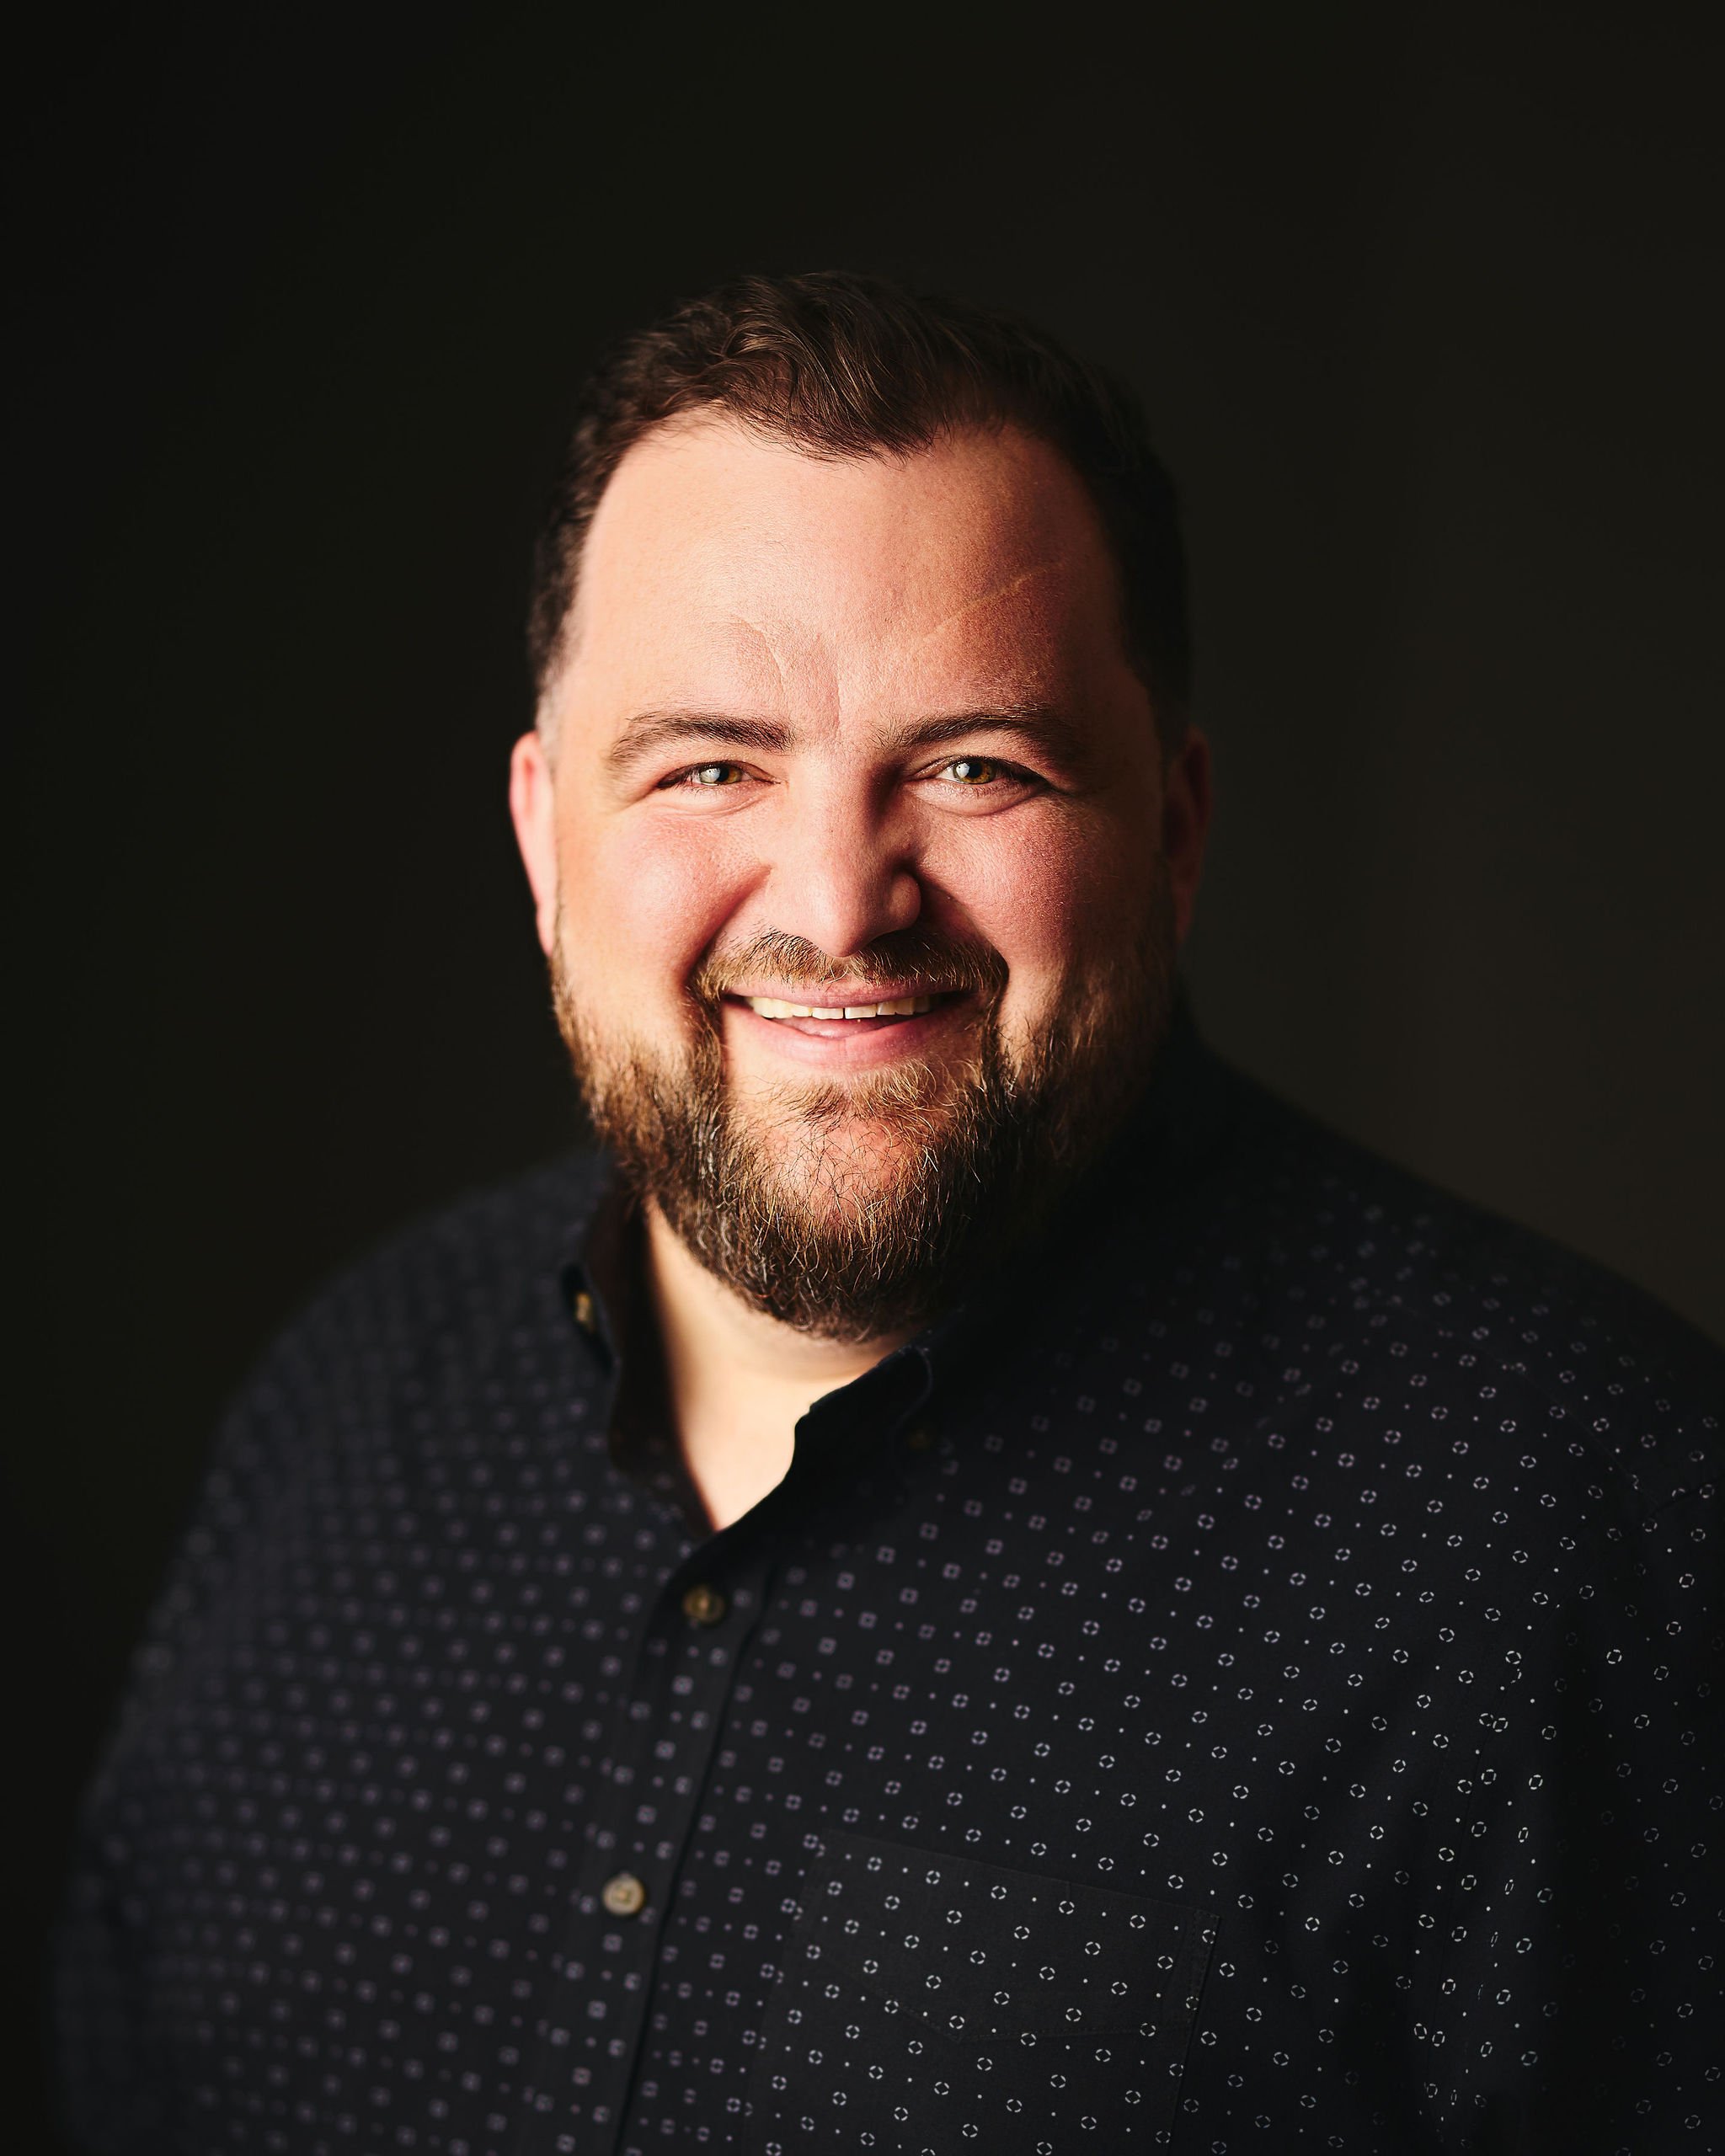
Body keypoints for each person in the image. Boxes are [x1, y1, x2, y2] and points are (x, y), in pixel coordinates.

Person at [55, 271, 1720, 2154]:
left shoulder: (1589, 1527)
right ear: (542, 835)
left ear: (1172, 835)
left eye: (972, 765)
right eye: (710, 764)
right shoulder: (338, 1408)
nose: (840, 902)